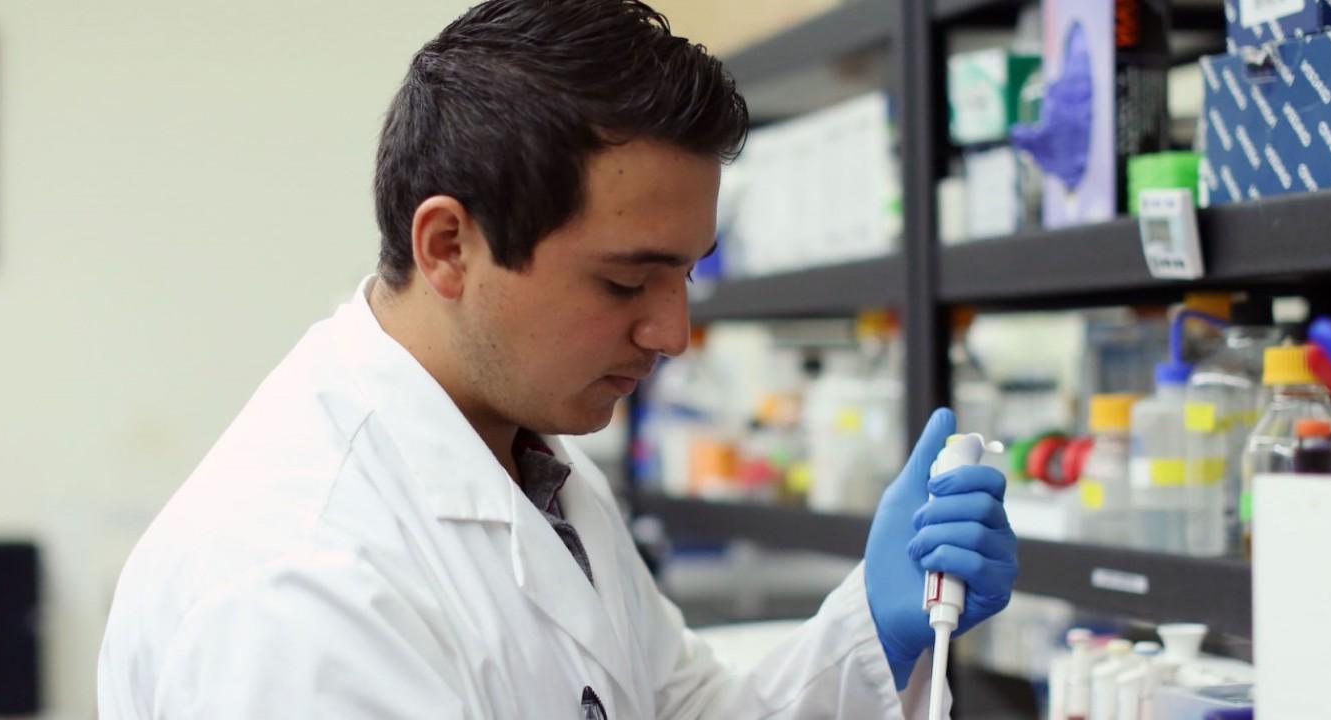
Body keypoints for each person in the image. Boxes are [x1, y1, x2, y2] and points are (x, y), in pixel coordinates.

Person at [96, 1, 1018, 717]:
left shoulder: (535, 463)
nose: (671, 332)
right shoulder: (301, 585)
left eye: (686, 276)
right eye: (625, 283)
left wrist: (876, 626)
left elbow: (683, 713)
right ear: (449, 246)